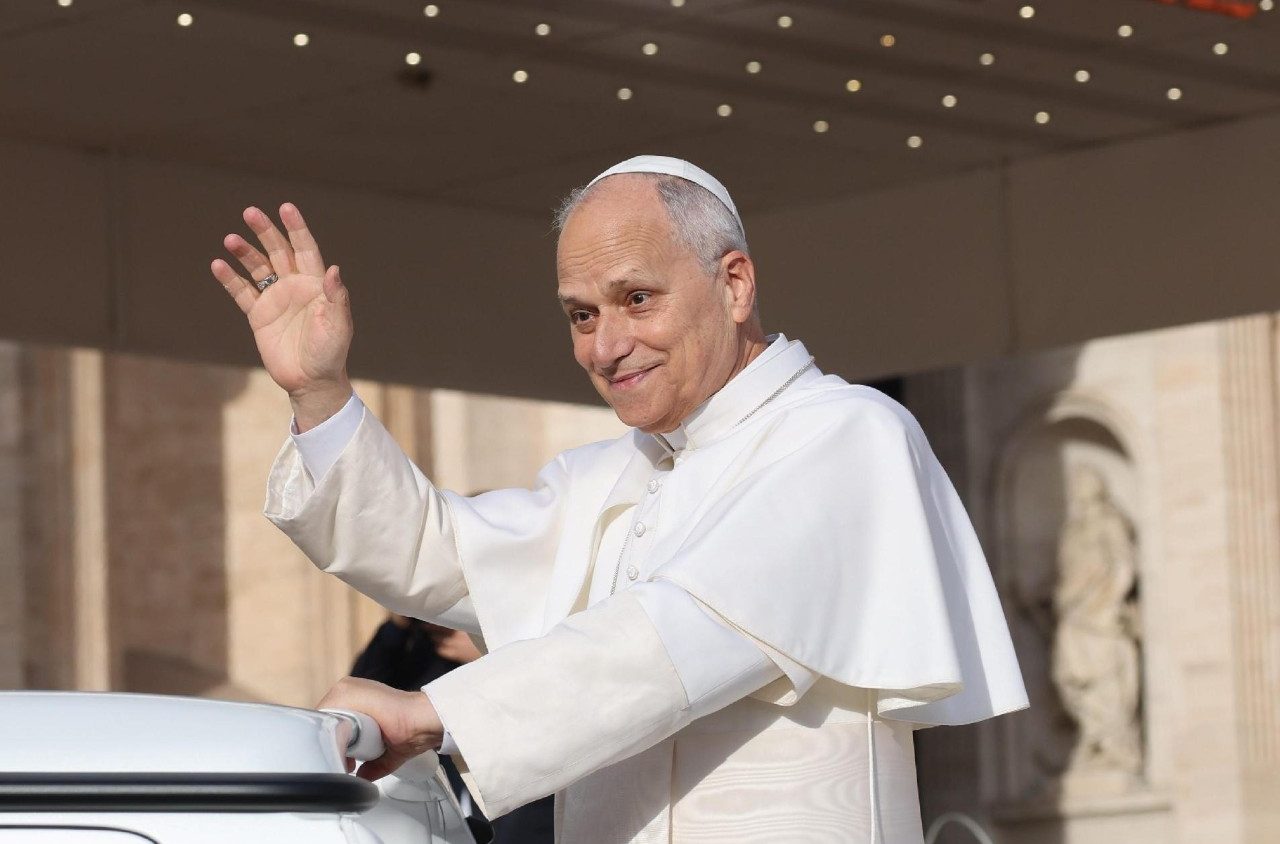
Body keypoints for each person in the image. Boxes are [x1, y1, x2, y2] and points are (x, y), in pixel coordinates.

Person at [209, 155, 1028, 843]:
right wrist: (320, 394)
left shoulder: (847, 434)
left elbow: (684, 634)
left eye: (637, 299)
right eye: (580, 314)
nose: (605, 346)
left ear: (734, 284)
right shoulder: (603, 478)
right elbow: (434, 551)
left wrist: (434, 713)